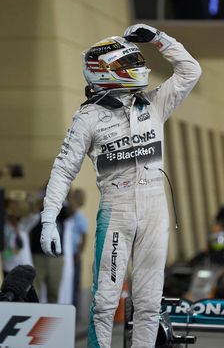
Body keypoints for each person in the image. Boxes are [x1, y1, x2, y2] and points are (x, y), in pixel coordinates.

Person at [40, 24, 201, 348]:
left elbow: (190, 71)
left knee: (148, 304)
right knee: (104, 304)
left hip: (155, 209)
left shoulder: (154, 104)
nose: (138, 68)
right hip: (117, 211)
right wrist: (48, 219)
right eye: (129, 63)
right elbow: (62, 170)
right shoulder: (87, 117)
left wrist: (159, 39)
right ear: (104, 70)